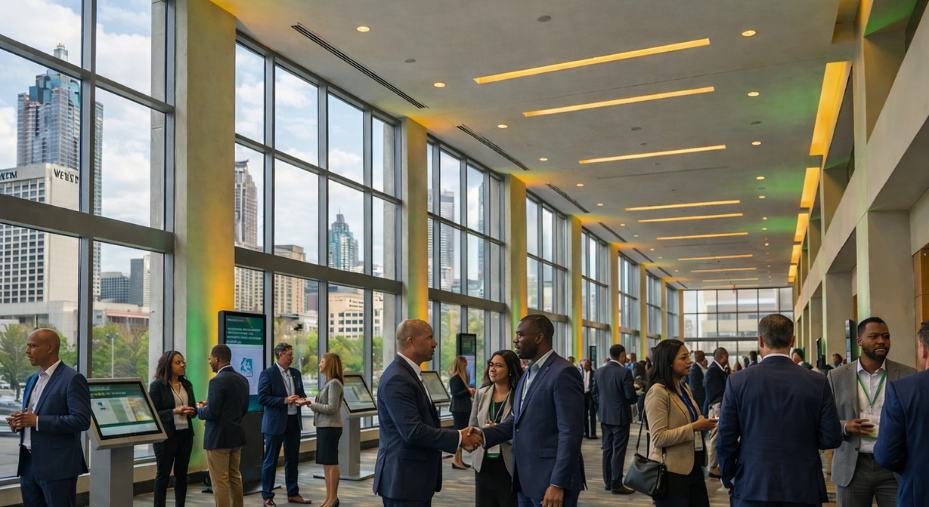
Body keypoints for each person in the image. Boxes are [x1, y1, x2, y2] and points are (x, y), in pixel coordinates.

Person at [717, 314, 842, 507]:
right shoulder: (817, 381)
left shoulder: (738, 381)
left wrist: (729, 477)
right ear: (792, 341)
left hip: (752, 483)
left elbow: (725, 438)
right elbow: (832, 437)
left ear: (760, 340)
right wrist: (803, 440)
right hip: (803, 485)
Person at [479, 314, 585, 507]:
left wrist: (557, 483)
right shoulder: (528, 373)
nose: (515, 340)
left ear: (539, 338)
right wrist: (480, 435)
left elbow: (570, 432)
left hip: (550, 482)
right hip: (526, 481)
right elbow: (517, 421)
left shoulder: (563, 372)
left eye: (520, 335)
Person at [373, 319, 481, 507]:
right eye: (430, 337)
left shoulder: (409, 373)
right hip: (404, 480)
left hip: (413, 478)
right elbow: (413, 431)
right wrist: (459, 438)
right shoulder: (397, 378)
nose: (434, 343)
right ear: (411, 341)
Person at [828, 317, 915, 507]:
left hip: (894, 467)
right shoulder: (836, 376)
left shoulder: (908, 374)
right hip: (853, 466)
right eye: (874, 336)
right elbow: (825, 418)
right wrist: (845, 426)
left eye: (886, 336)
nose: (881, 341)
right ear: (859, 342)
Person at [7, 328, 90, 507]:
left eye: (32, 346)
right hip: (29, 464)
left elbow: (81, 420)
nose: (27, 351)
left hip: (57, 466)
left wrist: (36, 421)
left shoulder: (72, 379)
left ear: (50, 347)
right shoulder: (32, 379)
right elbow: (34, 415)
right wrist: (20, 421)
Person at [644, 339, 717, 507]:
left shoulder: (683, 387)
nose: (689, 361)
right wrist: (694, 427)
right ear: (668, 362)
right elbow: (659, 438)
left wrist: (700, 421)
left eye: (688, 356)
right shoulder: (658, 393)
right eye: (683, 358)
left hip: (693, 468)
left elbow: (688, 419)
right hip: (671, 473)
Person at [873, 320, 929, 507]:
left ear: (923, 348)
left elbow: (887, 454)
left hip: (920, 492)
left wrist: (913, 467)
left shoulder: (904, 389)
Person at [258, 343, 312, 506]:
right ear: (280, 354)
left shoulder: (295, 373)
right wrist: (284, 400)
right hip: (275, 423)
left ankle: (293, 493)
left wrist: (302, 400)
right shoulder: (267, 374)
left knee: (293, 459)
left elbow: (300, 392)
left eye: (292, 353)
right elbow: (262, 398)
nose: (292, 356)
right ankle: (267, 496)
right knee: (271, 460)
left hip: (293, 422)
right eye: (289, 353)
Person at [468, 350, 523, 507]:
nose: (492, 369)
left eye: (499, 365)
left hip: (508, 464)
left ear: (510, 370)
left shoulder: (519, 396)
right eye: (491, 364)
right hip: (483, 464)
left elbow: (522, 430)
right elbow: (472, 425)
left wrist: (497, 430)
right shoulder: (481, 393)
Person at [197, 344, 249, 507]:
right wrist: (210, 405)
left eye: (210, 358)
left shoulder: (216, 381)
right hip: (236, 435)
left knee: (220, 481)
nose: (209, 361)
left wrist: (199, 409)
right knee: (234, 477)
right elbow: (241, 407)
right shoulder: (242, 379)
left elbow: (211, 413)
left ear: (217, 359)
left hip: (218, 439)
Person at [149, 351, 198, 507]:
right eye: (178, 362)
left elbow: (193, 407)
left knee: (182, 475)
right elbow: (154, 413)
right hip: (166, 437)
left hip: (185, 435)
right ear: (167, 365)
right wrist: (174, 412)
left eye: (183, 362)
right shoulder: (157, 386)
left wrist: (193, 411)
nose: (182, 365)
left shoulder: (187, 384)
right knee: (163, 475)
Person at [591, 344, 638, 495]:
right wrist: (638, 394)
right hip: (620, 417)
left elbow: (594, 393)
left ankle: (608, 481)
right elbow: (630, 397)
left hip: (604, 416)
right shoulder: (624, 373)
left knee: (607, 449)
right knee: (618, 450)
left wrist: (602, 406)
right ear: (623, 355)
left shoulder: (599, 371)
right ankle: (616, 483)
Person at [310, 353, 345, 507]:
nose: (319, 364)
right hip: (324, 426)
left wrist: (310, 404)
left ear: (329, 363)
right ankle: (329, 497)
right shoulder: (329, 383)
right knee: (326, 463)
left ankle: (333, 498)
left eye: (322, 361)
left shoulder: (334, 384)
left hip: (330, 427)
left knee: (331, 463)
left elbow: (331, 408)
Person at [702, 347, 728, 478]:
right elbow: (713, 392)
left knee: (717, 435)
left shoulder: (717, 370)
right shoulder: (713, 370)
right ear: (724, 357)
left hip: (717, 405)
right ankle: (712, 467)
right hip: (716, 406)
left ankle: (715, 465)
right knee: (715, 436)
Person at [449, 355, 475, 470]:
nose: (466, 365)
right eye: (464, 363)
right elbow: (455, 394)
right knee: (459, 435)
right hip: (458, 409)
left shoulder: (463, 377)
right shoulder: (455, 378)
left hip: (464, 408)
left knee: (462, 434)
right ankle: (456, 460)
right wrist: (468, 391)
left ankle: (459, 460)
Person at [580, 359, 597, 439]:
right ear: (582, 365)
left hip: (590, 394)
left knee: (592, 414)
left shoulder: (594, 373)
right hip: (582, 395)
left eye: (588, 364)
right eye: (585, 364)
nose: (587, 365)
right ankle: (585, 432)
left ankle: (593, 433)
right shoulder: (580, 373)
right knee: (584, 414)